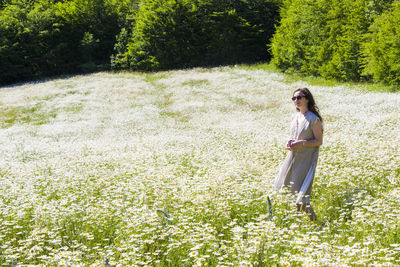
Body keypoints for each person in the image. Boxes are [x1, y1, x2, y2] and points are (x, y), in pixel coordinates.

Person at [274, 88, 323, 221]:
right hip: (292, 158)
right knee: (292, 193)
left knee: (301, 197)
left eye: (299, 97)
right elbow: (293, 136)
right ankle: (299, 225)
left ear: (307, 99)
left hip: (305, 160)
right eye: (294, 98)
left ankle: (318, 224)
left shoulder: (313, 119)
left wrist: (301, 143)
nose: (296, 100)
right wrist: (289, 143)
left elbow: (319, 141)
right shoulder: (295, 116)